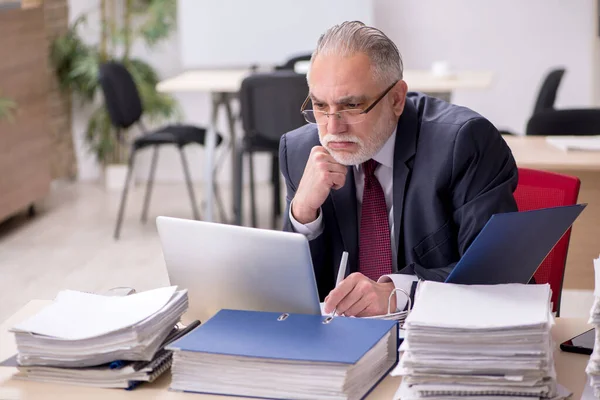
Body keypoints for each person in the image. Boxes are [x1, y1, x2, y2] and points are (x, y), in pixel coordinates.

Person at [279, 21, 518, 318]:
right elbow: (297, 293)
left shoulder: (463, 143)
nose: (332, 127)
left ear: (396, 99)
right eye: (319, 105)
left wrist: (400, 292)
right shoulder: (300, 150)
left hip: (438, 337)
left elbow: (495, 271)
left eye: (351, 105)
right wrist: (303, 214)